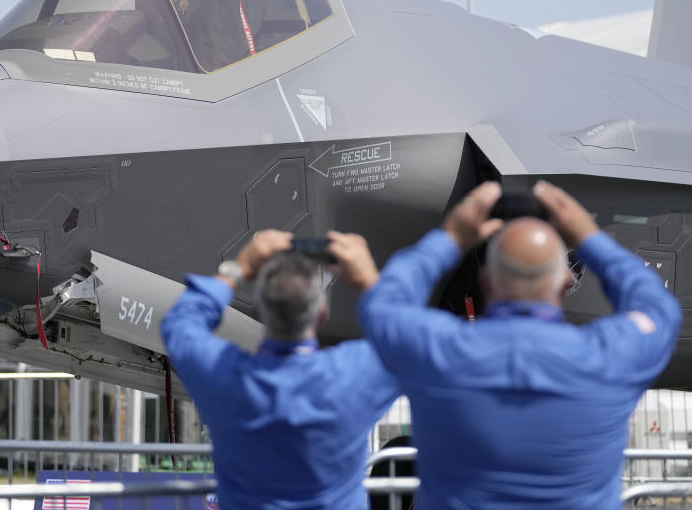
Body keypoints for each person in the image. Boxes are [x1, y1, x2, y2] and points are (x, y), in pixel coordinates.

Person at [348, 180, 681, 508]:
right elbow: (659, 308)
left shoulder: (442, 352)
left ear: (486, 280)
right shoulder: (606, 358)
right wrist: (588, 237)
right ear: (566, 282)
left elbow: (383, 304)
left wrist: (450, 238)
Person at [161, 230, 399, 510]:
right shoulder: (352, 376)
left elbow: (179, 324)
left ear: (258, 311)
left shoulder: (227, 377)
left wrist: (241, 267)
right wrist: (367, 277)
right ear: (322, 313)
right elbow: (407, 338)